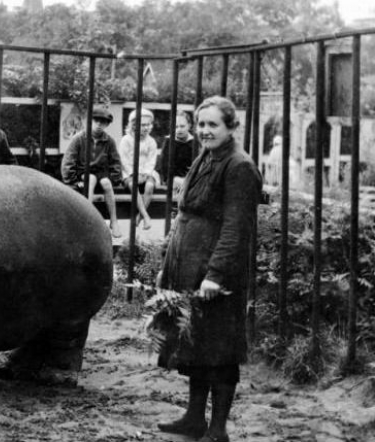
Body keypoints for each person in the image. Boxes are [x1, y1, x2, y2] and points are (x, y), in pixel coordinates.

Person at [156, 96, 262, 442]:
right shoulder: (206, 156)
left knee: (219, 348)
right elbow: (186, 213)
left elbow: (236, 228)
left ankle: (217, 429)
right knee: (195, 343)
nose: (204, 131)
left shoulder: (239, 167)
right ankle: (193, 418)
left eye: (212, 125)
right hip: (188, 267)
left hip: (216, 274)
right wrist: (168, 266)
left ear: (232, 127)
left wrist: (215, 275)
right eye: (201, 124)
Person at [61, 105, 124, 238]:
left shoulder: (109, 141)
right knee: (91, 179)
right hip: (83, 171)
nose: (99, 125)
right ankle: (88, 219)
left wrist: (115, 177)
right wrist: (73, 179)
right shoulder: (79, 138)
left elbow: (116, 161)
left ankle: (114, 221)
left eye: (103, 122)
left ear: (107, 124)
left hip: (101, 172)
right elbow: (68, 160)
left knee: (107, 183)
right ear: (89, 122)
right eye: (96, 121)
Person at [119, 108, 160, 230]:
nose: (146, 128)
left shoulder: (151, 142)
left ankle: (139, 217)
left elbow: (151, 161)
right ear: (133, 125)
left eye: (148, 124)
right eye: (142, 125)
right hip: (130, 172)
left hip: (146, 173)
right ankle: (145, 215)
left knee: (150, 186)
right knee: (133, 185)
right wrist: (134, 173)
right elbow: (124, 160)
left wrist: (146, 174)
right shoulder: (126, 140)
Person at [158, 112, 198, 197]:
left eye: (182, 126)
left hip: (190, 178)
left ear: (189, 125)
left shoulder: (194, 142)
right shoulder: (169, 141)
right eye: (176, 127)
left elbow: (197, 163)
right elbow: (164, 165)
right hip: (173, 178)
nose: (179, 129)